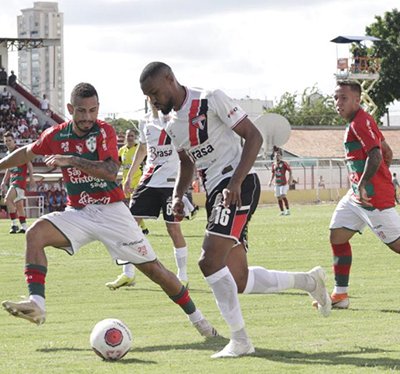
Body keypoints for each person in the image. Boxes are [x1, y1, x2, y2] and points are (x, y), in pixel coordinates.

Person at [140, 61, 331, 358]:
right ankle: (309, 281)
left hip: (237, 184)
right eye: (148, 96)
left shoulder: (210, 97)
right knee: (238, 279)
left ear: (169, 79)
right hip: (217, 190)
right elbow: (188, 163)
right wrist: (178, 195)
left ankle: (240, 340)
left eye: (154, 92)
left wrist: (236, 182)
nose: (153, 100)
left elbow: (253, 136)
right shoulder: (171, 124)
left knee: (208, 261)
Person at [0, 82, 217, 340]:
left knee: (155, 271)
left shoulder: (104, 132)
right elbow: (26, 152)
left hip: (112, 212)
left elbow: (110, 171)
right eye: (81, 111)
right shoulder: (56, 136)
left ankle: (200, 322)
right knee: (34, 234)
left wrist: (70, 160)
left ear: (98, 108)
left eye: (93, 110)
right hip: (78, 213)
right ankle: (37, 304)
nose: (87, 117)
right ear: (70, 109)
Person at [321, 80, 400, 310]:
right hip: (356, 197)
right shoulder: (362, 120)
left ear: (357, 100)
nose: (338, 103)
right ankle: (340, 295)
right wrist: (379, 179)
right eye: (336, 98)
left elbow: (375, 155)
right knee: (337, 235)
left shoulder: (360, 122)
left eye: (344, 98)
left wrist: (369, 183)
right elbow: (387, 151)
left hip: (372, 199)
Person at [106, 101, 191, 290]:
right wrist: (129, 177)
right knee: (129, 224)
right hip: (150, 180)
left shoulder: (175, 119)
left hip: (171, 181)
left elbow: (187, 148)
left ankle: (182, 276)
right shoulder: (144, 121)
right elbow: (143, 149)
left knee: (173, 229)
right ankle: (128, 274)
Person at [0, 131, 35, 233]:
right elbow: (8, 169)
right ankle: (24, 227)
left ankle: (14, 225)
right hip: (13, 180)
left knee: (7, 200)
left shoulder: (19, 151)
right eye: (6, 141)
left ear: (14, 141)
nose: (8, 143)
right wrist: (3, 181)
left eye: (10, 140)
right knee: (19, 205)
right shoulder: (7, 154)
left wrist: (32, 177)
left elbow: (29, 164)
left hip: (19, 180)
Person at [118, 128, 149, 235]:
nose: (130, 138)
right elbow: (118, 165)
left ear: (135, 137)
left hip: (137, 180)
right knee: (126, 205)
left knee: (133, 205)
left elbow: (147, 163)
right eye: (128, 136)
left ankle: (135, 229)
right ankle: (143, 228)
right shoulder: (122, 150)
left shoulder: (139, 149)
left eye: (132, 136)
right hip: (126, 181)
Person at [268, 151, 293, 215]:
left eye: (278, 155)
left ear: (281, 156)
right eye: (276, 156)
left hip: (283, 183)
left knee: (283, 195)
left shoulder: (284, 163)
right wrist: (270, 181)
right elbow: (273, 173)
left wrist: (290, 179)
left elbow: (290, 170)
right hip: (277, 184)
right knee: (278, 197)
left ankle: (288, 210)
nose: (277, 157)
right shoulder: (273, 165)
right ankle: (282, 211)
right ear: (274, 157)